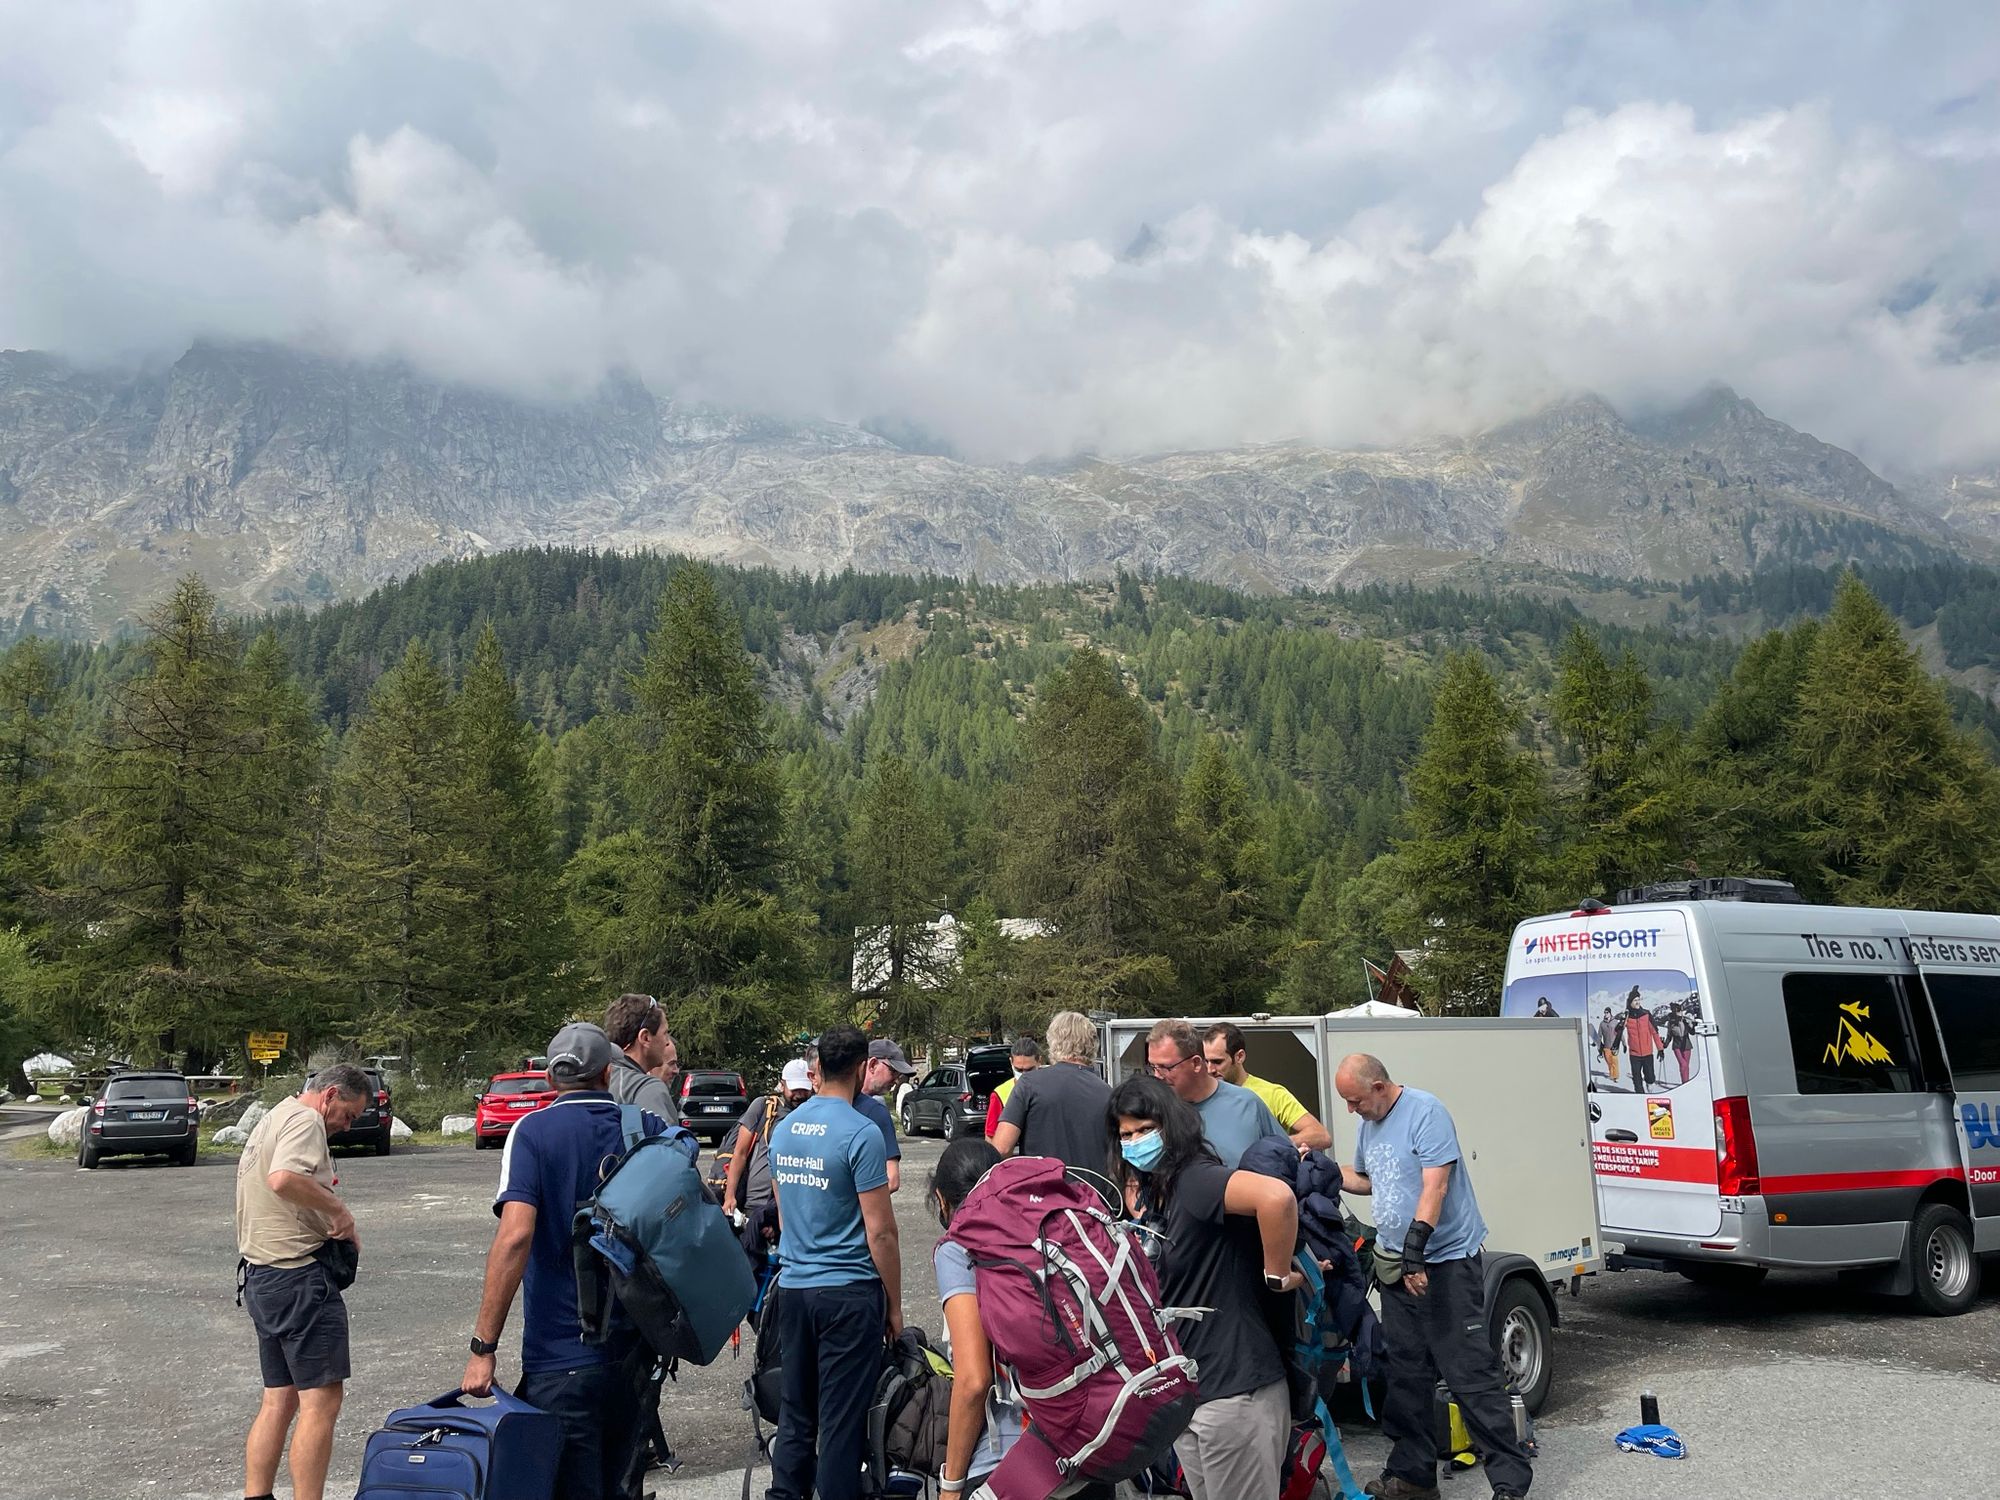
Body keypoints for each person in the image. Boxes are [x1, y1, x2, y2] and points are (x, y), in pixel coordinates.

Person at [461, 1022, 694, 1500]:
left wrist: (483, 1348)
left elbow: (515, 1237)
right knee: (622, 1484)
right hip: (635, 1354)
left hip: (559, 1357)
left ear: (551, 1079)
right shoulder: (645, 1128)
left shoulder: (532, 1132)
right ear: (608, 1073)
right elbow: (683, 1197)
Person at [1333, 1054, 1531, 1500]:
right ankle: (1413, 1477)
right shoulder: (1370, 1123)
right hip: (1396, 1267)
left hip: (1443, 1265)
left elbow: (1435, 1184)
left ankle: (1510, 1483)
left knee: (1469, 1375)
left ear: (1380, 1086)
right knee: (1406, 1375)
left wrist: (1415, 1253)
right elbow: (1370, 1180)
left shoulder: (1426, 1111)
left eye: (1356, 1100)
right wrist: (1327, 1172)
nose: (1351, 1110)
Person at [1109, 1075, 1301, 1500]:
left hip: (1234, 1391)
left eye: (1145, 1129)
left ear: (1171, 1125)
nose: (1135, 1141)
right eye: (1126, 1134)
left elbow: (1276, 1198)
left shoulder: (1195, 1180)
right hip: (1194, 1393)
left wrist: (1278, 1274)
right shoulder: (1161, 1190)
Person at [766, 1024, 904, 1500]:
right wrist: (895, 1305)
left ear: (817, 1068)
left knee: (796, 1412)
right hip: (848, 1291)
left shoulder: (784, 1129)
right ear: (865, 1068)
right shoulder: (862, 1133)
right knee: (842, 1422)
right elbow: (881, 1230)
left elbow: (785, 1215)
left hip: (795, 1286)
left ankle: (784, 1494)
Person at [236, 1065, 370, 1500]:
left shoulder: (275, 1115)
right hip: (299, 1279)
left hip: (262, 1277)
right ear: (329, 1094)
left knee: (279, 1398)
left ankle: (257, 1495)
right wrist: (339, 1212)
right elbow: (284, 1178)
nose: (346, 1127)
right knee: (321, 1403)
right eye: (348, 1115)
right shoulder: (307, 1119)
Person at [1144, 1019, 1283, 1169]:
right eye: (1153, 1067)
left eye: (1165, 1067)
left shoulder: (1247, 1104)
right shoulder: (1152, 1112)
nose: (1157, 1076)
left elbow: (1285, 1158)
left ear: (1196, 1063)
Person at [990, 1011, 1114, 1170]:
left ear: (1053, 1043)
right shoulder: (1108, 1093)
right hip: (1093, 1191)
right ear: (1093, 1046)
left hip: (1042, 1190)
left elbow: (1001, 1148)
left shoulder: (1028, 1084)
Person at [723, 1058, 816, 1246]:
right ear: (782, 1085)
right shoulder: (763, 1107)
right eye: (795, 1089)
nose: (800, 1095)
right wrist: (730, 1195)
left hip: (789, 1209)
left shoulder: (813, 1115)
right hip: (753, 1203)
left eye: (804, 1089)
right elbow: (740, 1153)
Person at [1201, 1022, 1331, 1151]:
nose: (1209, 1069)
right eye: (1206, 1061)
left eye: (1217, 1062)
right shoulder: (1201, 1096)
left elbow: (1321, 1135)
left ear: (1239, 1056)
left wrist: (1273, 1146)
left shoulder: (1273, 1093)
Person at [604, 992, 682, 1126]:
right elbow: (664, 1146)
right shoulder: (648, 1089)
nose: (667, 1042)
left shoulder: (596, 1080)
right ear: (645, 1038)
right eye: (665, 1033)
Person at [861, 1038, 914, 1192]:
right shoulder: (873, 1110)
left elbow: (891, 1181)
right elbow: (892, 1181)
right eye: (892, 1071)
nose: (896, 1080)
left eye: (899, 1074)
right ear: (872, 1065)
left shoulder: (878, 1111)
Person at [984, 1036, 1042, 1138]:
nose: (1024, 1075)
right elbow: (990, 1137)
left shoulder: (1051, 1088)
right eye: (1019, 1070)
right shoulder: (1000, 1094)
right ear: (1011, 1062)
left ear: (1039, 1061)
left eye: (1029, 1070)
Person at [1623, 989, 1662, 1093]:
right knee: (1636, 1078)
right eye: (1635, 1000)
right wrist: (1622, 1022)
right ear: (1630, 1002)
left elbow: (1654, 1032)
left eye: (1638, 999)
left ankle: (1650, 1084)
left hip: (1647, 1053)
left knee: (1649, 1076)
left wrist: (1660, 1049)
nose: (1637, 1002)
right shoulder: (1627, 1017)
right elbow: (1617, 1032)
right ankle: (1640, 1095)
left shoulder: (1646, 1014)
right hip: (1634, 1054)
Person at [1666, 1005, 1694, 1085]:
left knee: (1685, 1066)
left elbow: (1692, 1032)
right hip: (1677, 1044)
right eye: (1677, 1011)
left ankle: (1685, 1083)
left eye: (1679, 1011)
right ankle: (1685, 1083)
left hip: (1686, 1044)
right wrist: (1665, 1044)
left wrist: (1692, 1025)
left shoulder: (1685, 1020)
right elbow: (1669, 1035)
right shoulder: (1671, 1022)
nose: (1678, 1013)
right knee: (1683, 1064)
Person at [1595, 1008, 1622, 1084]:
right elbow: (1599, 1035)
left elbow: (1620, 1033)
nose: (1605, 1014)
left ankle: (1615, 1077)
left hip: (1614, 1047)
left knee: (1615, 1062)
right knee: (1609, 1062)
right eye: (1605, 1012)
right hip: (1606, 1047)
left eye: (1607, 1012)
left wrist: (1624, 1043)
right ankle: (1611, 1074)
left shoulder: (1615, 1022)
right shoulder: (1602, 1024)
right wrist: (1597, 1043)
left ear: (1610, 1013)